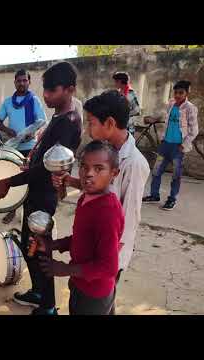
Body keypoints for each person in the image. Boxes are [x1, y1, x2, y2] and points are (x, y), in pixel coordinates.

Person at [0, 62, 82, 315]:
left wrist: (9, 182)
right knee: (29, 248)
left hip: (44, 196)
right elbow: (42, 158)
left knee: (41, 251)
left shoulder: (69, 121)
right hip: (36, 192)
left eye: (53, 90)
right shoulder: (59, 117)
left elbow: (48, 168)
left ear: (70, 89)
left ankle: (48, 305)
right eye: (45, 89)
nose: (46, 95)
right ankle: (39, 292)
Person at [52, 90, 150, 314]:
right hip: (92, 253)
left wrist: (106, 262)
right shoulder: (106, 153)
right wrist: (70, 181)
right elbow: (98, 188)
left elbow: (129, 218)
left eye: (91, 123)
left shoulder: (133, 164)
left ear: (110, 123)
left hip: (107, 256)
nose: (87, 129)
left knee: (99, 299)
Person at [37, 140, 124, 315]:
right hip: (81, 283)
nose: (88, 174)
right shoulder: (87, 198)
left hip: (94, 294)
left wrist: (65, 269)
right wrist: (52, 245)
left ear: (114, 173)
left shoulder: (107, 212)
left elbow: (109, 267)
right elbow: (82, 238)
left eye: (99, 168)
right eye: (84, 167)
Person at [0, 69, 47, 224]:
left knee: (28, 178)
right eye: (19, 80)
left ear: (29, 82)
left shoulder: (34, 101)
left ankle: (27, 211)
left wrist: (32, 132)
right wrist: (7, 130)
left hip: (30, 146)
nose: (22, 83)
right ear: (15, 82)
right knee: (12, 178)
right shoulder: (7, 102)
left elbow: (41, 121)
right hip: (13, 147)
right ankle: (12, 210)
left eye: (25, 80)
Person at [142, 80, 198, 211]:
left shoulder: (190, 108)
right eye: (176, 92)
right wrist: (154, 118)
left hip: (178, 147)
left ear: (186, 93)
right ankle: (154, 195)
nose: (178, 95)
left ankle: (172, 199)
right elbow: (165, 117)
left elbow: (194, 130)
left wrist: (184, 145)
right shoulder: (171, 104)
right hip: (165, 144)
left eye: (181, 93)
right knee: (156, 172)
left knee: (175, 176)